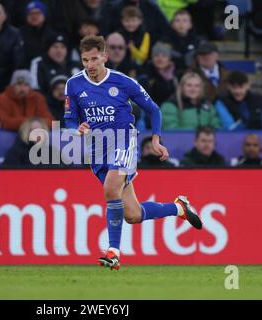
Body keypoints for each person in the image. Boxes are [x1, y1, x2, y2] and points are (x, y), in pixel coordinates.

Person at [64, 35, 202, 270]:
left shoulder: (123, 81)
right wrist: (77, 128)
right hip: (97, 150)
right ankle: (179, 207)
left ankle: (113, 252)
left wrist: (156, 139)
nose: (89, 65)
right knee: (133, 215)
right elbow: (69, 119)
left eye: (94, 59)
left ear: (104, 57)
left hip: (124, 141)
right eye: (85, 60)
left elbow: (153, 110)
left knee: (110, 188)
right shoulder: (73, 84)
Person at [30, 33, 81, 99]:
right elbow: (35, 89)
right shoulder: (39, 63)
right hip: (47, 105)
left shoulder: (75, 65)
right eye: (55, 47)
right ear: (48, 49)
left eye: (62, 47)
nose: (59, 51)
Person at [161, 9, 200, 73]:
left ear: (190, 25)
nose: (181, 24)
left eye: (185, 21)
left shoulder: (198, 42)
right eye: (177, 20)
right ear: (172, 24)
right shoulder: (164, 42)